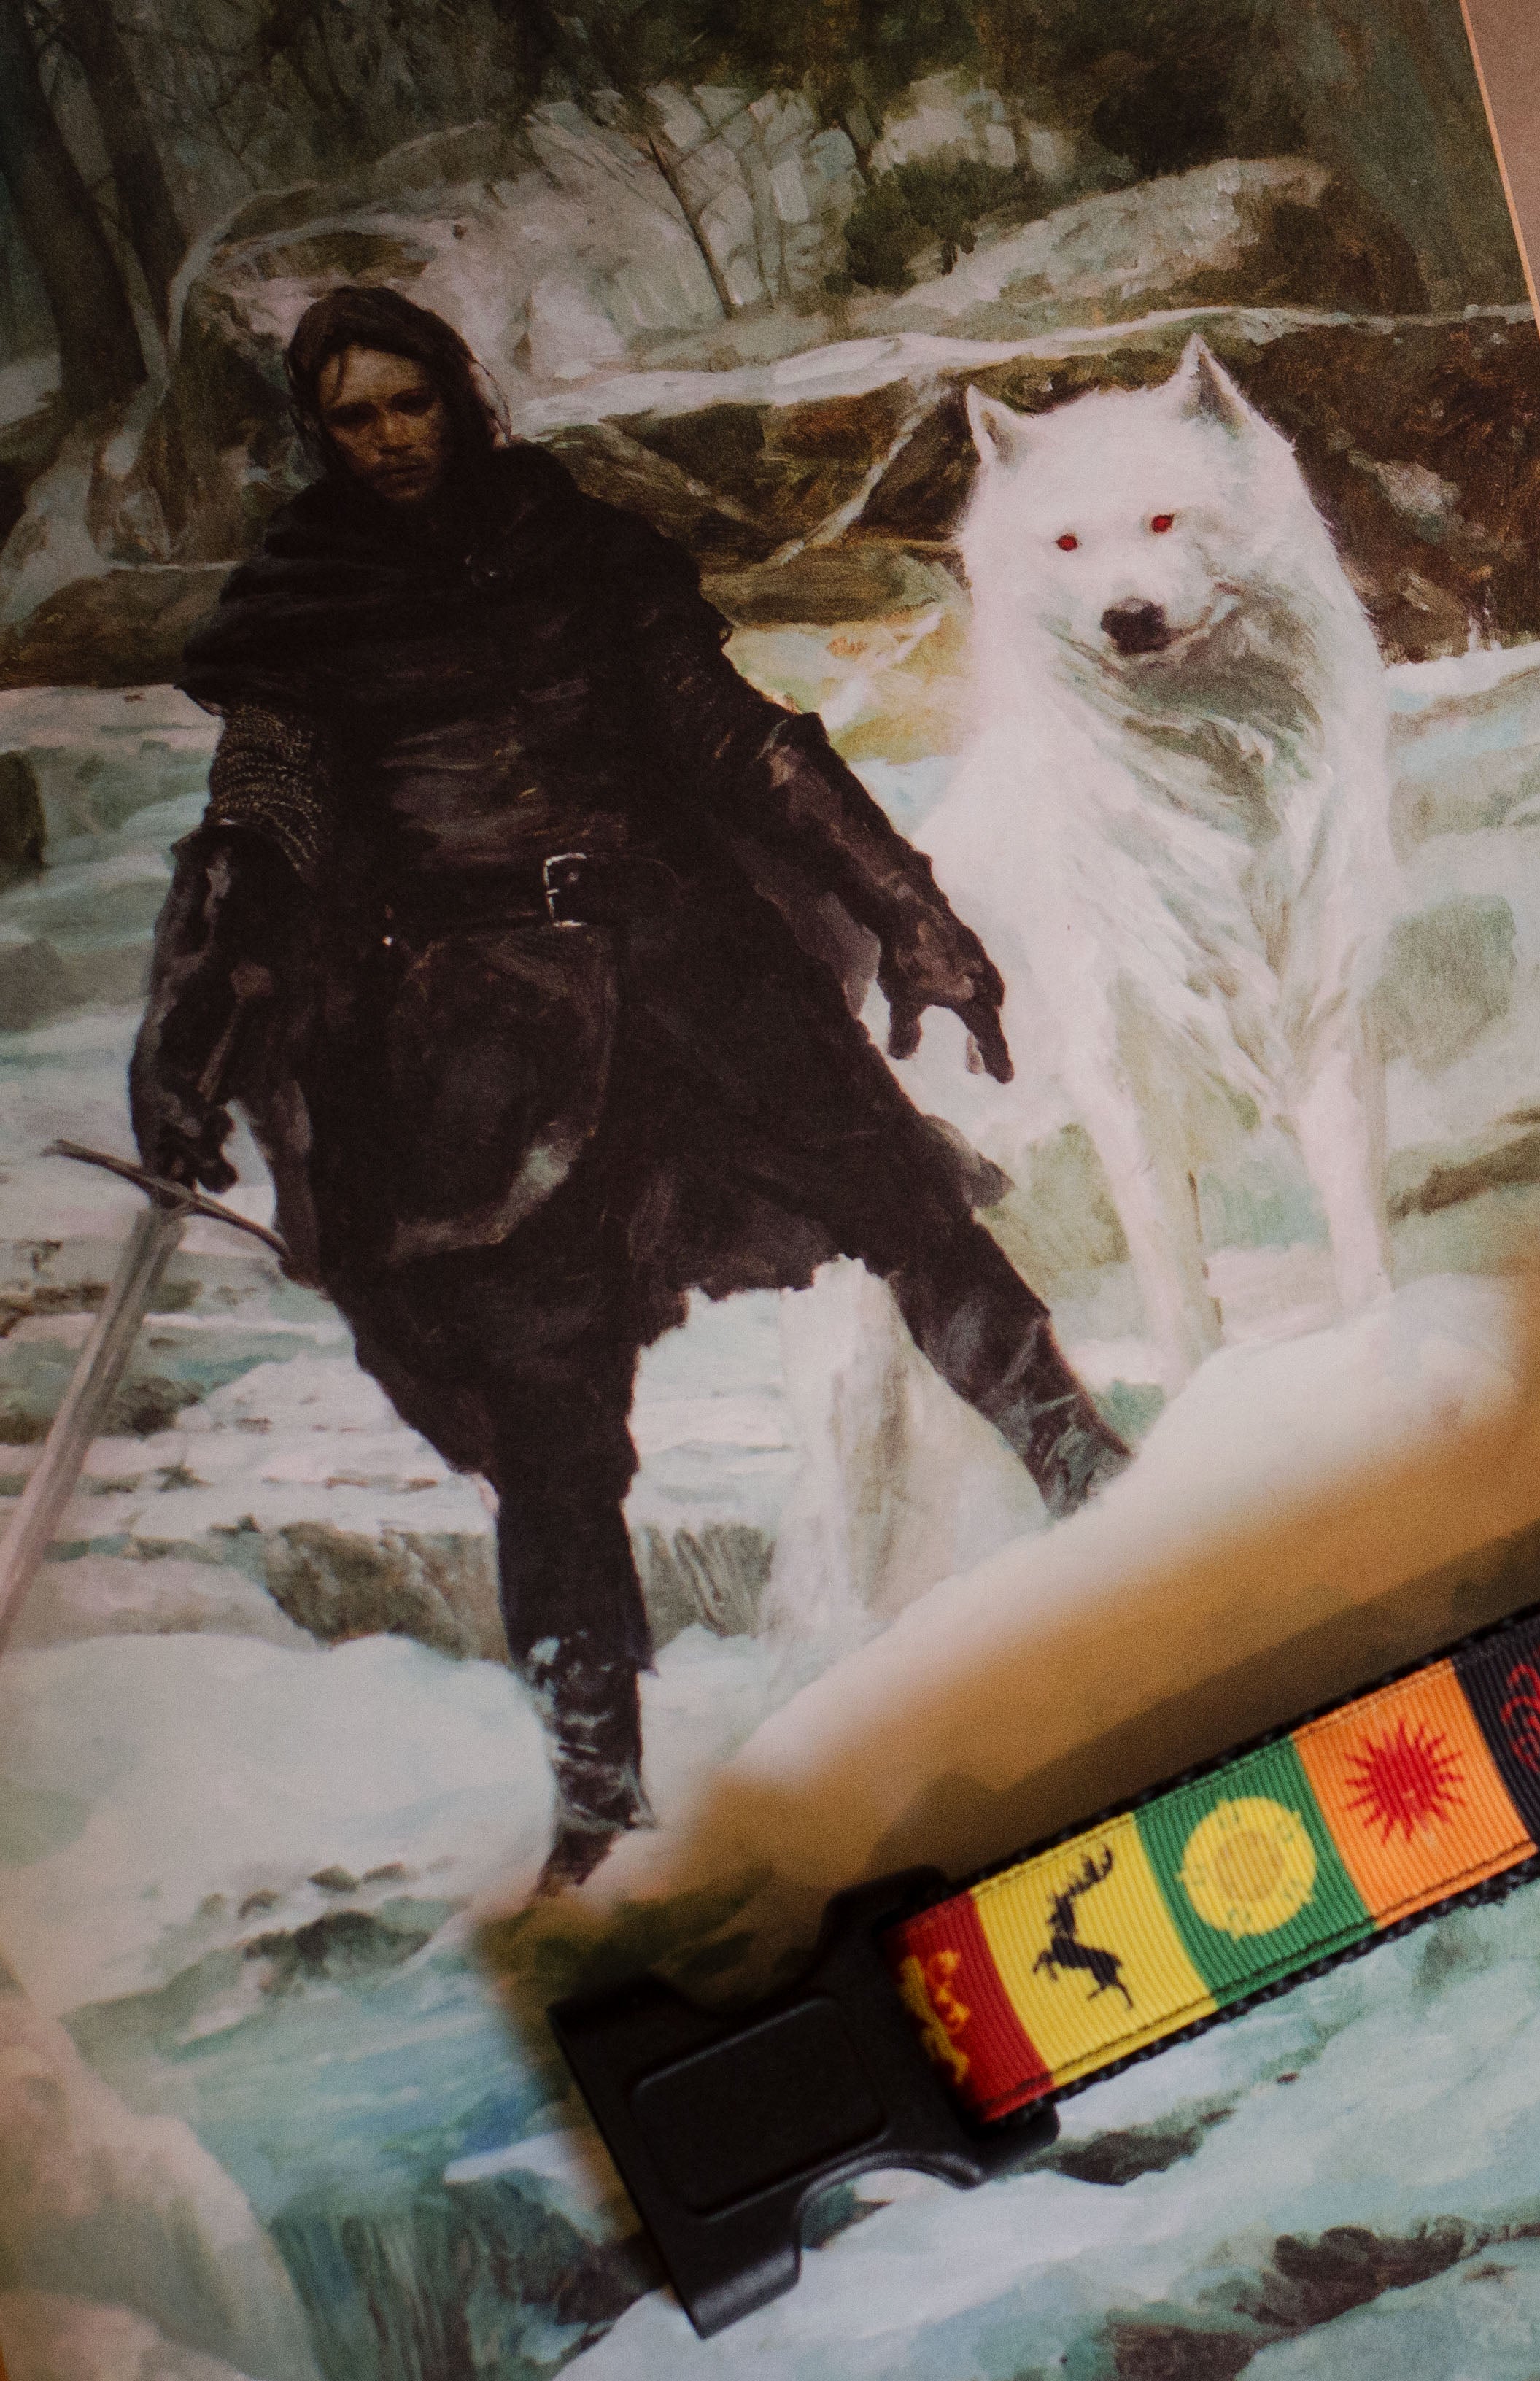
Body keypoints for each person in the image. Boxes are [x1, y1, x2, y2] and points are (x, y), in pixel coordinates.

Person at [132, 287, 1131, 1889]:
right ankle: (597, 1800)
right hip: (476, 1033)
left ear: (461, 398)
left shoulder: (574, 540)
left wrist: (906, 906)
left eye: (409, 403)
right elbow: (264, 831)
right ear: (320, 435)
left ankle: (1102, 1491)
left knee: (905, 1202)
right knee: (548, 1405)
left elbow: (731, 737)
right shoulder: (306, 603)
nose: (388, 438)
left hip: (690, 959)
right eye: (352, 418)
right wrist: (187, 1032)